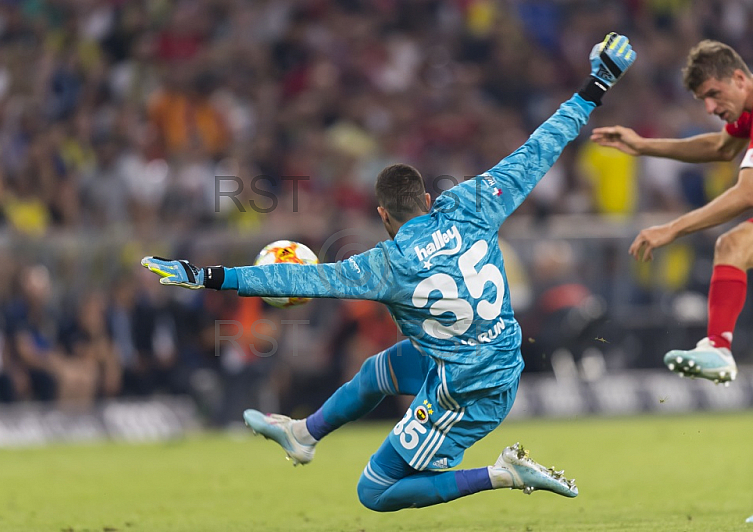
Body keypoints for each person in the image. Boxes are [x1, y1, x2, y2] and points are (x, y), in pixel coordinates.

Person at [142, 33, 636, 512]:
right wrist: (599, 83)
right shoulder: (471, 205)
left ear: (382, 216)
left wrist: (205, 276)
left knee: (375, 492)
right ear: (425, 200)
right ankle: (304, 433)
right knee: (379, 370)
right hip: (492, 357)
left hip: (470, 387)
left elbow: (296, 280)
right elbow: (539, 150)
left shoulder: (386, 266)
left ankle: (504, 473)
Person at [591, 40, 753, 385]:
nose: (710, 107)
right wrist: (643, 146)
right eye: (702, 100)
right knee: (732, 246)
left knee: (733, 243)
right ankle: (718, 348)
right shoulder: (746, 113)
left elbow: (747, 193)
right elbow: (722, 147)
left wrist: (673, 228)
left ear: (739, 78)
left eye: (714, 93)